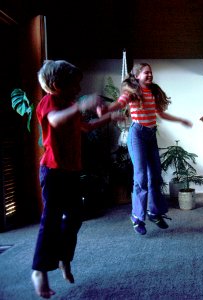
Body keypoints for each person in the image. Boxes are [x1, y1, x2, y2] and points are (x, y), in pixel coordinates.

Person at [32, 60, 120, 298]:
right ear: (55, 84)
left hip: (71, 171)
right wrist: (83, 104)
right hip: (52, 171)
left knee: (75, 217)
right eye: (74, 85)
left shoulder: (68, 104)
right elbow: (55, 121)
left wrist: (110, 119)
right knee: (50, 220)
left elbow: (86, 128)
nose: (78, 90)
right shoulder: (50, 101)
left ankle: (64, 258)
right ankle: (40, 270)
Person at [107, 62, 192, 235]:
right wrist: (108, 109)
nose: (150, 75)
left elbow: (160, 114)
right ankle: (137, 217)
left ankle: (154, 212)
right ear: (137, 76)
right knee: (141, 177)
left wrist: (180, 120)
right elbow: (120, 102)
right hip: (137, 135)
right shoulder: (132, 92)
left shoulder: (152, 91)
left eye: (151, 72)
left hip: (150, 135)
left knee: (155, 175)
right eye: (146, 73)